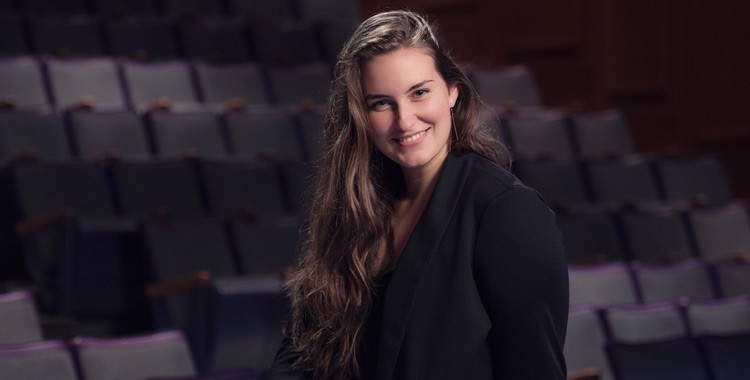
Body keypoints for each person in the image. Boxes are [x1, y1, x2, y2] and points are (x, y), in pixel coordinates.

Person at [270, 10, 568, 380]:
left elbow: (534, 371)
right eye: (381, 102)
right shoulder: (355, 207)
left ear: (453, 92)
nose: (405, 120)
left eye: (419, 93)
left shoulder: (506, 211)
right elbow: (301, 353)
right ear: (361, 116)